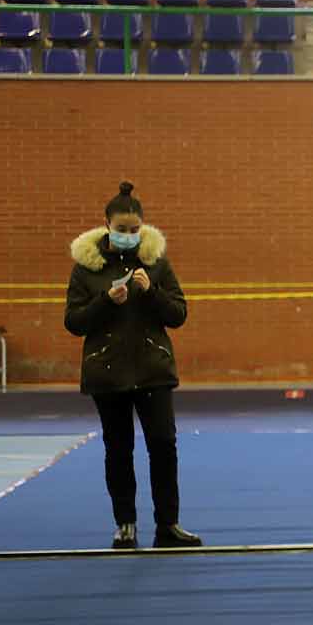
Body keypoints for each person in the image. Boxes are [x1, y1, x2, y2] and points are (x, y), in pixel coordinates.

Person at [64, 182, 200, 550]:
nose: (128, 235)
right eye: (121, 229)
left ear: (143, 227)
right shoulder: (86, 268)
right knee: (119, 449)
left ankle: (168, 524)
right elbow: (74, 322)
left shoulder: (157, 264)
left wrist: (151, 292)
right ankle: (125, 524)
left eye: (134, 229)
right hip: (107, 373)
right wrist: (106, 301)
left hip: (153, 370)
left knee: (163, 445)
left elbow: (178, 314)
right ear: (106, 225)